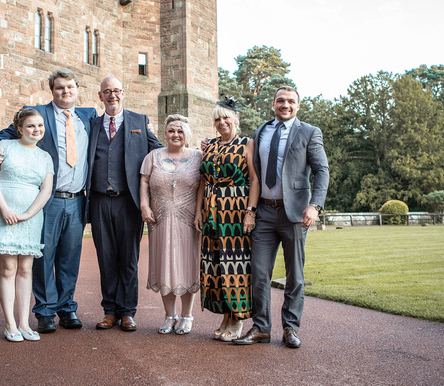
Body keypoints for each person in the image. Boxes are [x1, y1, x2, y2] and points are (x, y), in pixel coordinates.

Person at [0, 68, 97, 333]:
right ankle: (45, 311)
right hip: (47, 199)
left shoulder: (88, 116)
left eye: (70, 87)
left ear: (77, 89)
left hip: (78, 199)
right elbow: (7, 133)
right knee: (43, 256)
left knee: (70, 257)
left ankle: (67, 308)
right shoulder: (38, 113)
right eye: (59, 87)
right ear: (52, 90)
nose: (65, 92)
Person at [232, 86, 329, 348]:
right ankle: (262, 327)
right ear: (273, 104)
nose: (285, 105)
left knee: (294, 275)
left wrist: (314, 206)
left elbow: (322, 170)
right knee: (259, 273)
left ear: (298, 106)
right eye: (280, 101)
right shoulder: (261, 131)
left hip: (295, 214)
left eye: (290, 101)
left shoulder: (309, 132)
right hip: (263, 212)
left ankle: (290, 328)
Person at [86, 77, 163, 332]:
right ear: (100, 96)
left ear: (123, 93)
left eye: (116, 91)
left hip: (129, 202)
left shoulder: (139, 121)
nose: (112, 95)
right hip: (98, 200)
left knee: (129, 259)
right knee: (106, 258)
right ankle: (110, 311)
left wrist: (193, 153)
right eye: (107, 91)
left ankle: (128, 311)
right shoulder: (92, 124)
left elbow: (159, 151)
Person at [0, 108, 54, 342]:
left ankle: (24, 323)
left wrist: (29, 213)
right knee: (8, 268)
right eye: (31, 126)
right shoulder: (4, 147)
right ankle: (9, 324)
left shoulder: (45, 157)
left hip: (30, 217)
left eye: (40, 126)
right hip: (3, 213)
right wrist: (4, 209)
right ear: (20, 129)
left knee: (25, 269)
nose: (37, 130)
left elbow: (46, 189)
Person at [194, 97, 259, 342]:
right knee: (215, 266)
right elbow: (202, 181)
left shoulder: (247, 143)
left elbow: (254, 180)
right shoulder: (208, 145)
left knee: (236, 266)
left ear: (235, 120)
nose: (222, 122)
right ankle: (225, 316)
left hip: (236, 211)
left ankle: (237, 318)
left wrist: (250, 212)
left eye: (226, 117)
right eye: (217, 119)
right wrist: (198, 211)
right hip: (211, 211)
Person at [140, 115, 202, 335]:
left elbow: (204, 186)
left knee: (187, 264)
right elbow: (144, 181)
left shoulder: (198, 157)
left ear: (187, 134)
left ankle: (187, 315)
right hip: (160, 219)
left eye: (180, 131)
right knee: (163, 264)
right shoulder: (152, 156)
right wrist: (144, 206)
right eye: (171, 131)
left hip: (188, 220)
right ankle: (169, 315)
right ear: (164, 133)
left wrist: (199, 212)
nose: (176, 135)